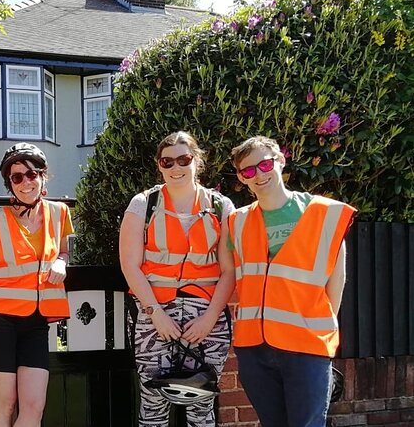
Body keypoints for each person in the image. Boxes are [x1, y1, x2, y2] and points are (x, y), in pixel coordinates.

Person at [228, 136, 356, 427]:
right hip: (254, 348)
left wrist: (320, 323)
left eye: (264, 164)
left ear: (280, 160)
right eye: (248, 171)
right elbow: (233, 276)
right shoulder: (237, 222)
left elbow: (337, 277)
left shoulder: (323, 213)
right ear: (241, 178)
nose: (259, 174)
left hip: (306, 345)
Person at [119, 131, 235, 427]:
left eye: (183, 159)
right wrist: (155, 314)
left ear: (197, 161)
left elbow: (229, 270)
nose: (176, 168)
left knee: (201, 404)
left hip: (206, 317)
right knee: (153, 403)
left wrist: (210, 318)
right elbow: (130, 265)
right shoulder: (143, 204)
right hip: (154, 314)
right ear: (159, 166)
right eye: (167, 162)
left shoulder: (221, 207)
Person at [0, 143, 73, 427]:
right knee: (3, 407)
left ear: (43, 177)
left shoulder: (60, 213)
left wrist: (62, 262)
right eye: (16, 177)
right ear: (9, 185)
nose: (25, 182)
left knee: (33, 407)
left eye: (31, 174)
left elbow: (64, 250)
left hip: (36, 322)